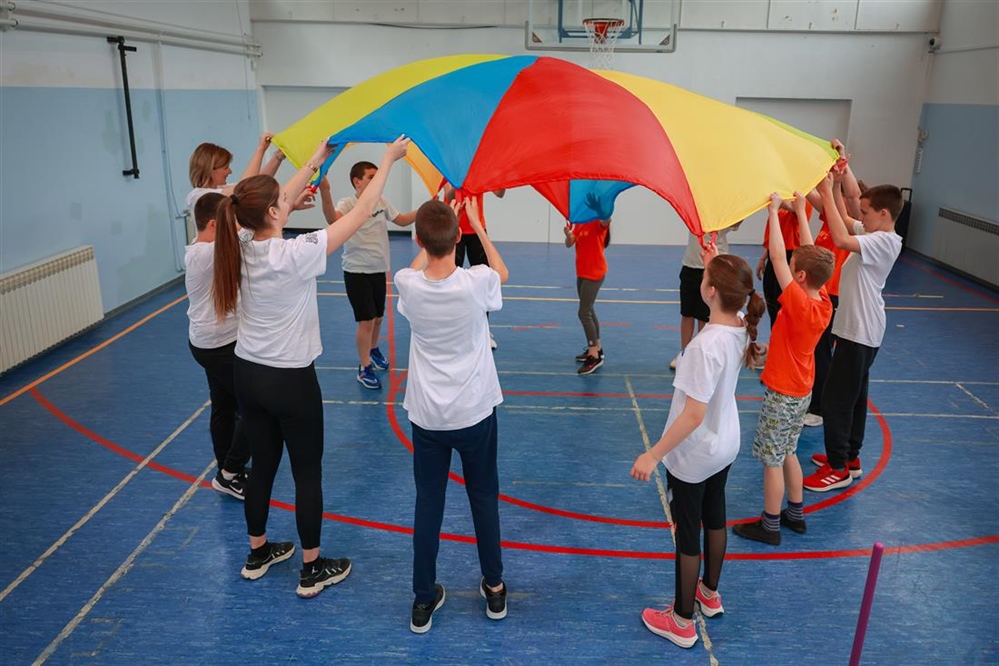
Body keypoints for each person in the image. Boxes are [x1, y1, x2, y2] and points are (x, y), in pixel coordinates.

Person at [213, 135, 409, 596]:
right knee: (307, 473)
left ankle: (258, 551)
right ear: (274, 213)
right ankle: (311, 568)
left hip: (248, 373)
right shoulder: (295, 254)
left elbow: (265, 200)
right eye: (280, 201)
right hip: (289, 382)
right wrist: (387, 160)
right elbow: (362, 212)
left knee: (262, 467)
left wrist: (318, 159)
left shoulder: (238, 239)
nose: (285, 201)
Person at [630, 244, 765, 649]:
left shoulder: (703, 348)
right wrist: (714, 260)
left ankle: (683, 621)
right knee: (716, 515)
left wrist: (653, 454)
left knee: (689, 532)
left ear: (709, 291)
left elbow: (691, 415)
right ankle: (709, 592)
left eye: (707, 278)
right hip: (725, 444)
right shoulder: (741, 322)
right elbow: (728, 293)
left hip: (696, 453)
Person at [394, 197, 509, 634]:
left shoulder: (408, 283)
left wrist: (438, 221)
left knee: (429, 505)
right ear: (458, 238)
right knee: (484, 500)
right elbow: (503, 273)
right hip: (475, 412)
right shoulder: (476, 282)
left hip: (427, 417)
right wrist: (477, 224)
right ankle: (495, 588)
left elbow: (423, 259)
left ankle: (423, 600)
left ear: (420, 240)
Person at [732, 193, 834, 545]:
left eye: (795, 268)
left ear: (801, 275)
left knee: (771, 459)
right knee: (788, 450)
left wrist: (774, 212)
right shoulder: (821, 302)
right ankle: (795, 513)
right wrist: (803, 207)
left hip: (783, 392)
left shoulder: (799, 301)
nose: (788, 267)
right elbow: (807, 251)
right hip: (802, 390)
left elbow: (779, 255)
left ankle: (770, 524)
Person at [803, 175, 903, 492]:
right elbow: (846, 222)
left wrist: (823, 192)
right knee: (856, 396)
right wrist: (834, 184)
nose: (861, 217)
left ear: (884, 213)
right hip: (861, 330)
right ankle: (851, 458)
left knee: (837, 400)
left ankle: (837, 468)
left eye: (866, 212)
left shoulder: (883, 241)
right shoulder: (875, 232)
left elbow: (841, 237)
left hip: (859, 331)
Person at [318, 162, 417, 390]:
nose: (376, 181)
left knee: (379, 317)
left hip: (379, 270)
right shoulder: (349, 203)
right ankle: (364, 367)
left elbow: (401, 219)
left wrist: (426, 208)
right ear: (357, 181)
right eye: (371, 177)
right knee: (366, 321)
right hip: (357, 271)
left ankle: (373, 349)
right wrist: (325, 191)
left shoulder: (381, 202)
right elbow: (333, 219)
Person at [185, 191, 251, 500]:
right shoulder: (203, 254)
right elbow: (251, 236)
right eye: (231, 222)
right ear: (214, 224)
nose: (236, 227)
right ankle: (229, 473)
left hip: (211, 342)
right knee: (256, 407)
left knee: (224, 406)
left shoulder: (207, 250)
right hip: (218, 346)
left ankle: (228, 467)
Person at [803, 140, 865, 428]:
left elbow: (846, 194)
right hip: (821, 293)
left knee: (822, 351)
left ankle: (819, 406)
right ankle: (813, 397)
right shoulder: (829, 220)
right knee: (815, 348)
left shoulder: (847, 224)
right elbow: (816, 193)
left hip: (835, 296)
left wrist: (841, 166)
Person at [442, 183, 506, 349]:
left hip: (477, 229)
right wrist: (461, 182)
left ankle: (483, 329)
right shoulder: (451, 167)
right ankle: (453, 329)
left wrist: (501, 177)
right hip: (454, 228)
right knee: (450, 281)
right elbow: (448, 195)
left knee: (485, 281)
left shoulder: (479, 169)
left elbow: (499, 193)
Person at [671, 225, 738, 371]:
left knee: (705, 317)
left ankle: (701, 354)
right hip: (690, 264)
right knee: (686, 313)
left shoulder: (723, 214)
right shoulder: (697, 211)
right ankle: (684, 354)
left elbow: (736, 221)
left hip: (715, 266)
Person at [185, 133, 283, 211]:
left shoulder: (223, 189)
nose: (230, 171)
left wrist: (278, 157)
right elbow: (245, 186)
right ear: (211, 170)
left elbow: (257, 182)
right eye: (225, 167)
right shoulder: (197, 196)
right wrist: (261, 149)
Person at [564, 212, 611, 375]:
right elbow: (569, 243)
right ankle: (597, 348)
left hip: (594, 274)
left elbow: (607, 220)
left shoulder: (599, 222)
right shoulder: (581, 222)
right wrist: (568, 236)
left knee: (583, 312)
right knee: (589, 309)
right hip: (582, 273)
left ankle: (594, 356)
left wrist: (603, 206)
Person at [756, 198, 813, 331]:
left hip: (788, 257)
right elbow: (776, 234)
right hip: (773, 254)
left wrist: (774, 203)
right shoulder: (780, 204)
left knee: (783, 305)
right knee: (772, 304)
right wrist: (764, 257)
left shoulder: (799, 200)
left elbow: (795, 208)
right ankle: (775, 337)